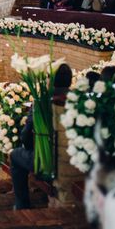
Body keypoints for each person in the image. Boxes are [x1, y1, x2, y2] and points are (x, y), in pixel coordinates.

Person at [11, 63, 72, 210]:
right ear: (70, 80)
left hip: (47, 161)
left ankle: (22, 204)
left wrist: (33, 148)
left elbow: (25, 136)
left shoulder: (41, 103)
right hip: (73, 157)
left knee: (15, 155)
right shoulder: (80, 100)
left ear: (50, 80)